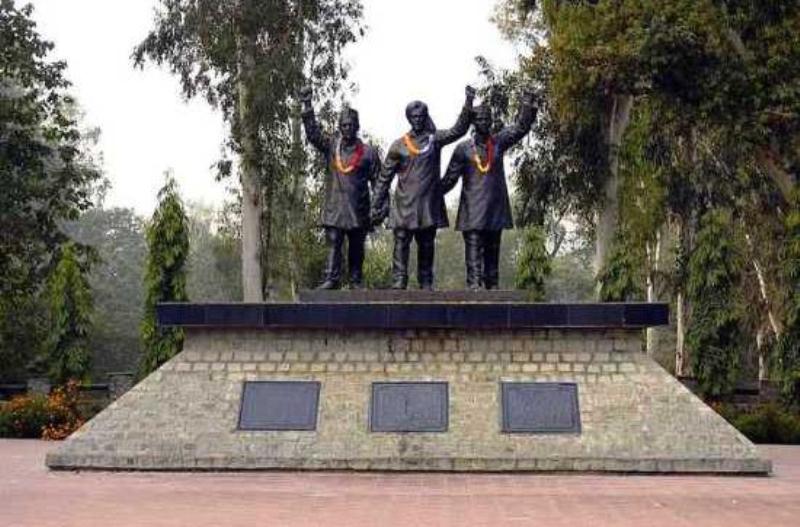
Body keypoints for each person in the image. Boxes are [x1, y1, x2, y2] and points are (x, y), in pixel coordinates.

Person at [371, 86, 475, 290]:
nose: (418, 119)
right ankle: (399, 279)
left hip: (428, 204)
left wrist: (468, 103)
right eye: (414, 116)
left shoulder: (434, 140)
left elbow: (458, 130)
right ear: (409, 118)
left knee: (426, 244)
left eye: (421, 116)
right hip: (404, 205)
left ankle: (425, 280)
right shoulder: (398, 145)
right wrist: (376, 205)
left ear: (425, 117)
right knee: (401, 242)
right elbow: (384, 178)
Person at [441, 90, 537, 290]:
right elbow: (450, 179)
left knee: (493, 250)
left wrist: (526, 101)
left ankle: (492, 286)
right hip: (472, 210)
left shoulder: (498, 142)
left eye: (488, 118)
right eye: (480, 118)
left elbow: (520, 127)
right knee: (474, 251)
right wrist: (430, 192)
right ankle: (474, 285)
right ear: (473, 122)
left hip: (495, 208)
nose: (484, 122)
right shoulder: (463, 149)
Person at [300, 86, 381, 289]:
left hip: (358, 208)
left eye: (350, 125)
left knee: (356, 245)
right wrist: (308, 105)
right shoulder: (331, 146)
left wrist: (379, 208)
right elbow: (312, 134)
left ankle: (356, 280)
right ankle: (331, 278)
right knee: (334, 241)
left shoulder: (369, 152)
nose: (347, 128)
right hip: (335, 206)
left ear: (357, 126)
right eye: (343, 125)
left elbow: (379, 182)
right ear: (339, 127)